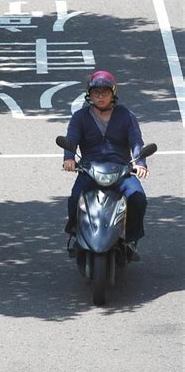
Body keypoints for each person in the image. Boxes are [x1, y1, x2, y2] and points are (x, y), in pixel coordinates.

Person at [62, 70, 149, 259]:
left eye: (105, 93)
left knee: (138, 198)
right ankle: (76, 233)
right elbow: (71, 139)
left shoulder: (126, 115)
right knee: (75, 198)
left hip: (121, 170)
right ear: (89, 95)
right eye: (96, 93)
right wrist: (69, 158)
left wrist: (140, 163)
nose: (100, 97)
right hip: (90, 169)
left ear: (113, 94)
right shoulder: (80, 117)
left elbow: (136, 142)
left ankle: (131, 239)